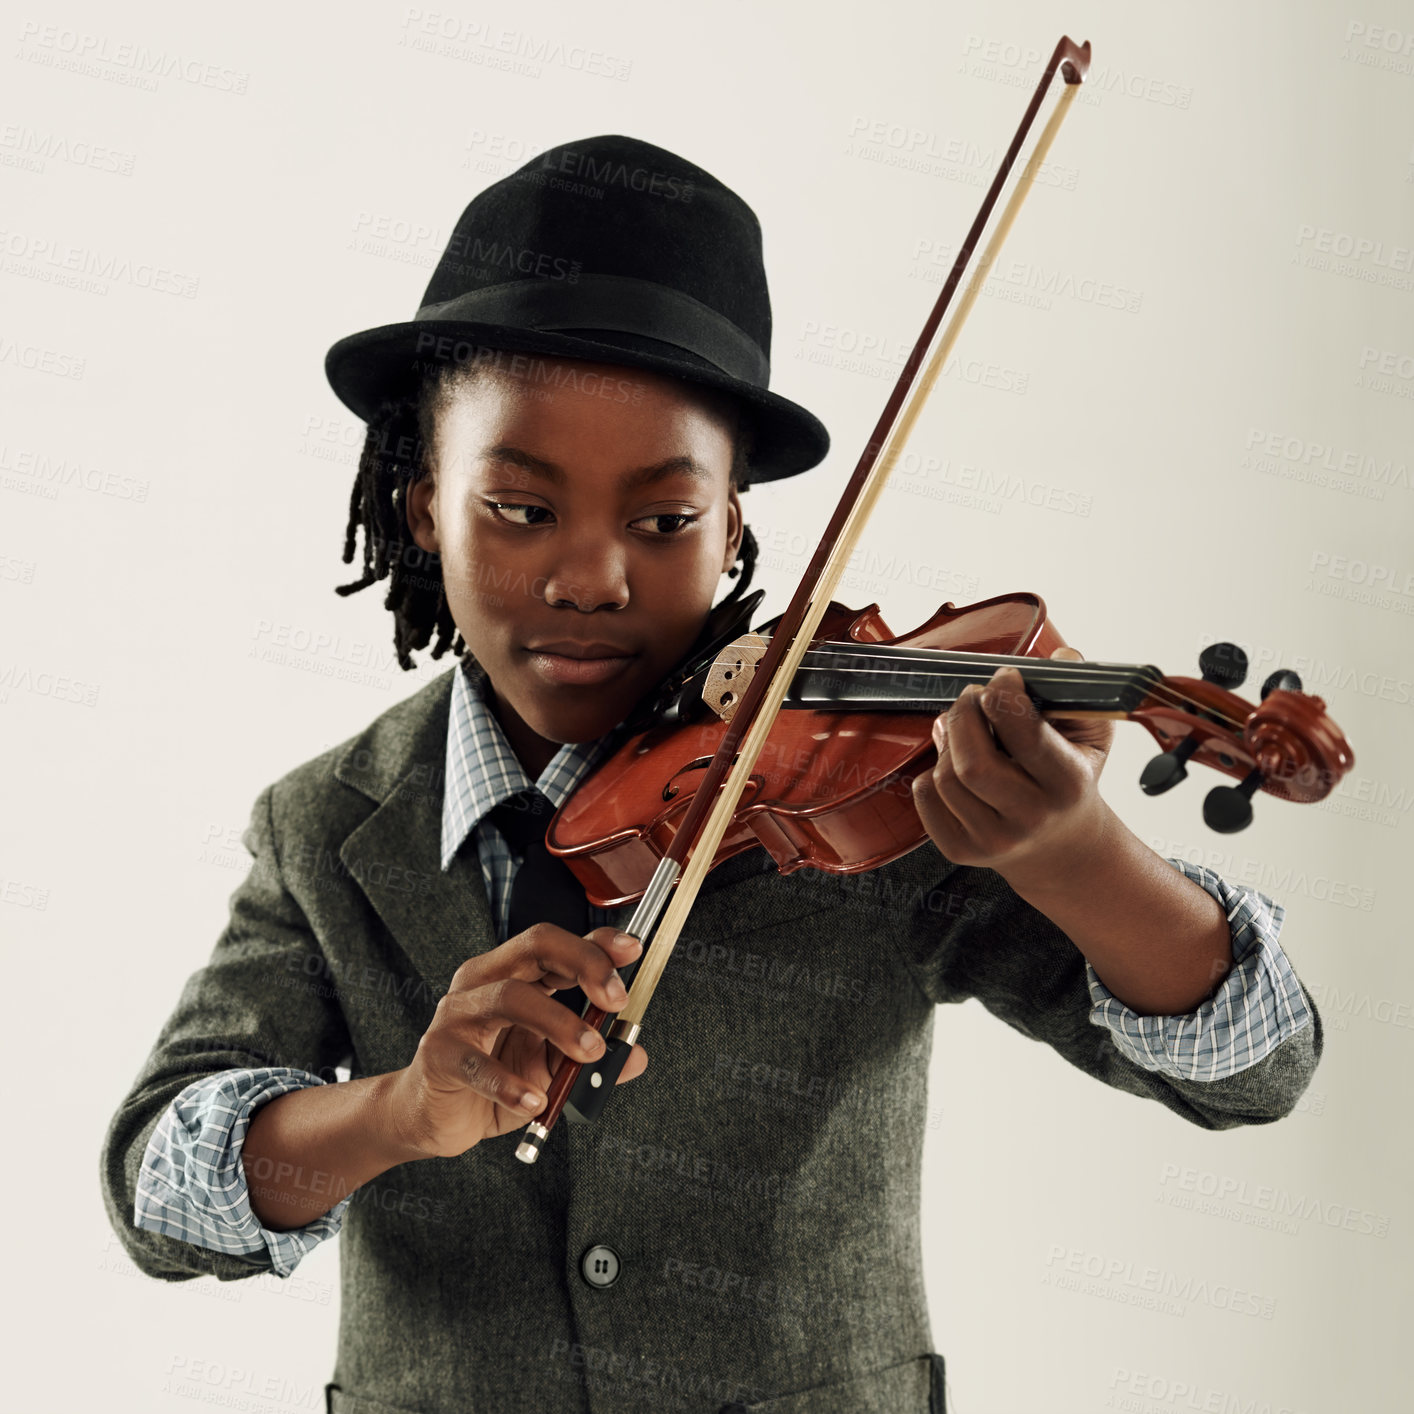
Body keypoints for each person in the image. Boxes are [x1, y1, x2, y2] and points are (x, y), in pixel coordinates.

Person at [100, 135, 1321, 1414]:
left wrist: (1077, 856)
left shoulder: (874, 794)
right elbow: (160, 1192)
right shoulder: (324, 825)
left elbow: (1251, 1069)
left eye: (663, 520)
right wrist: (398, 1111)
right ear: (421, 508)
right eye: (519, 508)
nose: (590, 579)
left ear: (736, 523)